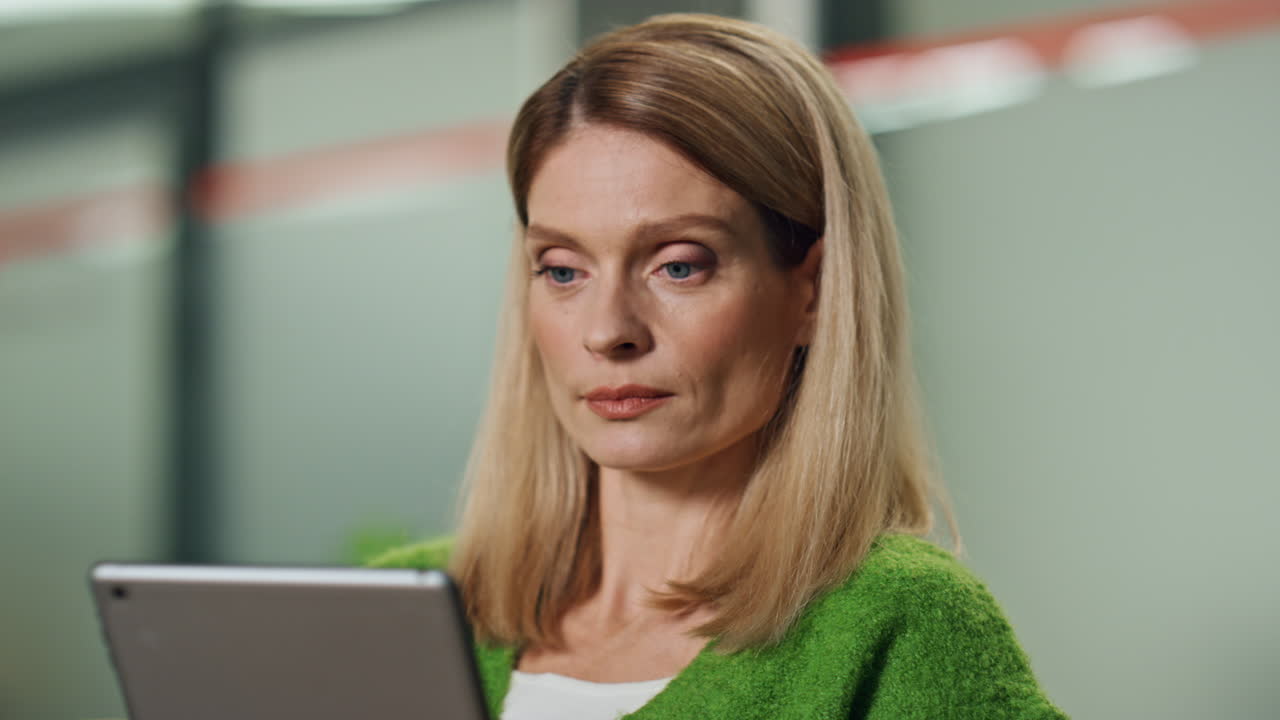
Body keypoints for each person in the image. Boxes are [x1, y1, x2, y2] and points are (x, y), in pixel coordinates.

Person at [373, 13, 1069, 720]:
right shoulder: (396, 611)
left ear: (814, 291)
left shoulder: (901, 625)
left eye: (678, 266)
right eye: (562, 271)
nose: (609, 331)